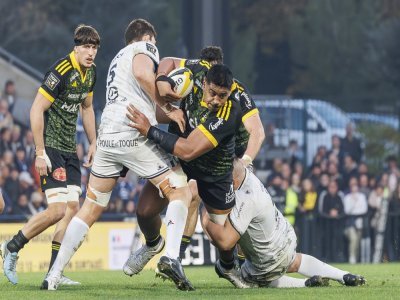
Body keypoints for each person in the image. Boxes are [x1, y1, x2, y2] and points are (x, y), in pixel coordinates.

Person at [43, 19, 193, 291]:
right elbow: (142, 74)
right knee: (180, 190)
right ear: (146, 37)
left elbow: (143, 99)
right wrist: (169, 108)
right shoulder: (144, 48)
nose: (154, 47)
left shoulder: (115, 60)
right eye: (153, 42)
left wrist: (167, 107)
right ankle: (171, 257)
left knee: (90, 207)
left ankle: (53, 275)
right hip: (131, 133)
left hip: (107, 137)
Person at [124, 63, 247, 288]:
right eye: (213, 93)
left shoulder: (230, 111)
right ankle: (153, 244)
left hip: (213, 172)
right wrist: (163, 82)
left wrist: (149, 130)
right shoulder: (193, 75)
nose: (216, 100)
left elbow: (189, 150)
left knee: (223, 236)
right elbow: (169, 61)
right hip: (177, 161)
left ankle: (228, 266)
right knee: (144, 211)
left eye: (223, 95)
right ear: (204, 83)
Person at [0, 24, 99, 286]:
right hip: (52, 148)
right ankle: (12, 246)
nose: (91, 53)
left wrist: (93, 142)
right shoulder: (61, 71)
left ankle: (52, 273)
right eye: (86, 47)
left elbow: (87, 109)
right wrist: (40, 153)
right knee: (56, 210)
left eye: (94, 48)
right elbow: (36, 109)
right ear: (76, 48)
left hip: (70, 150)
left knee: (72, 209)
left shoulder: (90, 73)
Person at [201, 159, 366, 288]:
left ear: (232, 181)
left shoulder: (246, 198)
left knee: (249, 275)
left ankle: (302, 285)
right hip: (285, 238)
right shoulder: (248, 174)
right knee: (294, 261)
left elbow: (225, 242)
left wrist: (206, 212)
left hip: (268, 260)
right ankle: (343, 275)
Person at [179, 46, 265, 260]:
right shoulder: (194, 86)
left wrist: (246, 161)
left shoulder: (237, 91)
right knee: (193, 194)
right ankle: (179, 253)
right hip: (211, 151)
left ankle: (244, 257)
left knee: (230, 209)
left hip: (236, 154)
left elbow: (258, 132)